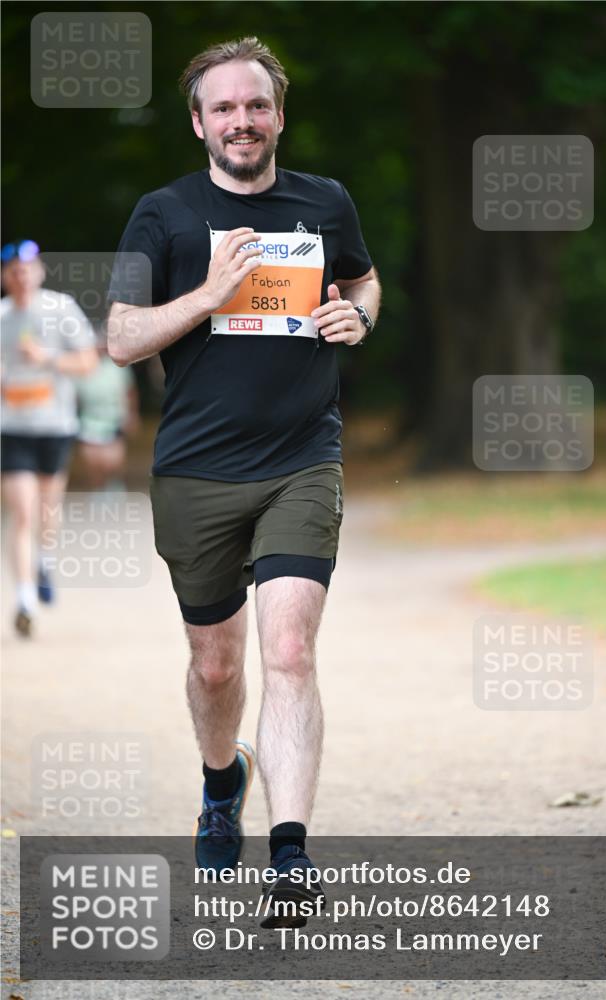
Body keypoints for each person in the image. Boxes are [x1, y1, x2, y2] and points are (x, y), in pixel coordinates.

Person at [107, 36, 381, 922]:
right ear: (198, 123)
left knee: (290, 651)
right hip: (196, 469)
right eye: (223, 108)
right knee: (216, 665)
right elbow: (119, 338)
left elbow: (364, 281)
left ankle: (291, 855)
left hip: (303, 458)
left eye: (255, 105)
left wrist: (354, 316)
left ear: (278, 115)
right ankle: (220, 780)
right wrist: (207, 296)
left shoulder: (323, 201)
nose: (241, 120)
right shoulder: (165, 214)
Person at [1, 240, 97, 637]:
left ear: (39, 272)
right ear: (6, 277)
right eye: (13, 272)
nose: (21, 278)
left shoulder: (62, 309)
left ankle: (45, 557)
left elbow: (88, 362)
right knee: (23, 513)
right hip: (12, 429)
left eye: (28, 270)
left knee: (46, 512)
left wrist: (48, 359)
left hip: (55, 426)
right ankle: (24, 599)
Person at [76, 332, 140, 491]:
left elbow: (130, 392)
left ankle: (114, 487)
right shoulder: (83, 366)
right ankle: (97, 488)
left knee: (113, 460)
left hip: (114, 419)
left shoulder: (117, 368)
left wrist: (132, 415)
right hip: (89, 421)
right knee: (92, 461)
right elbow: (75, 396)